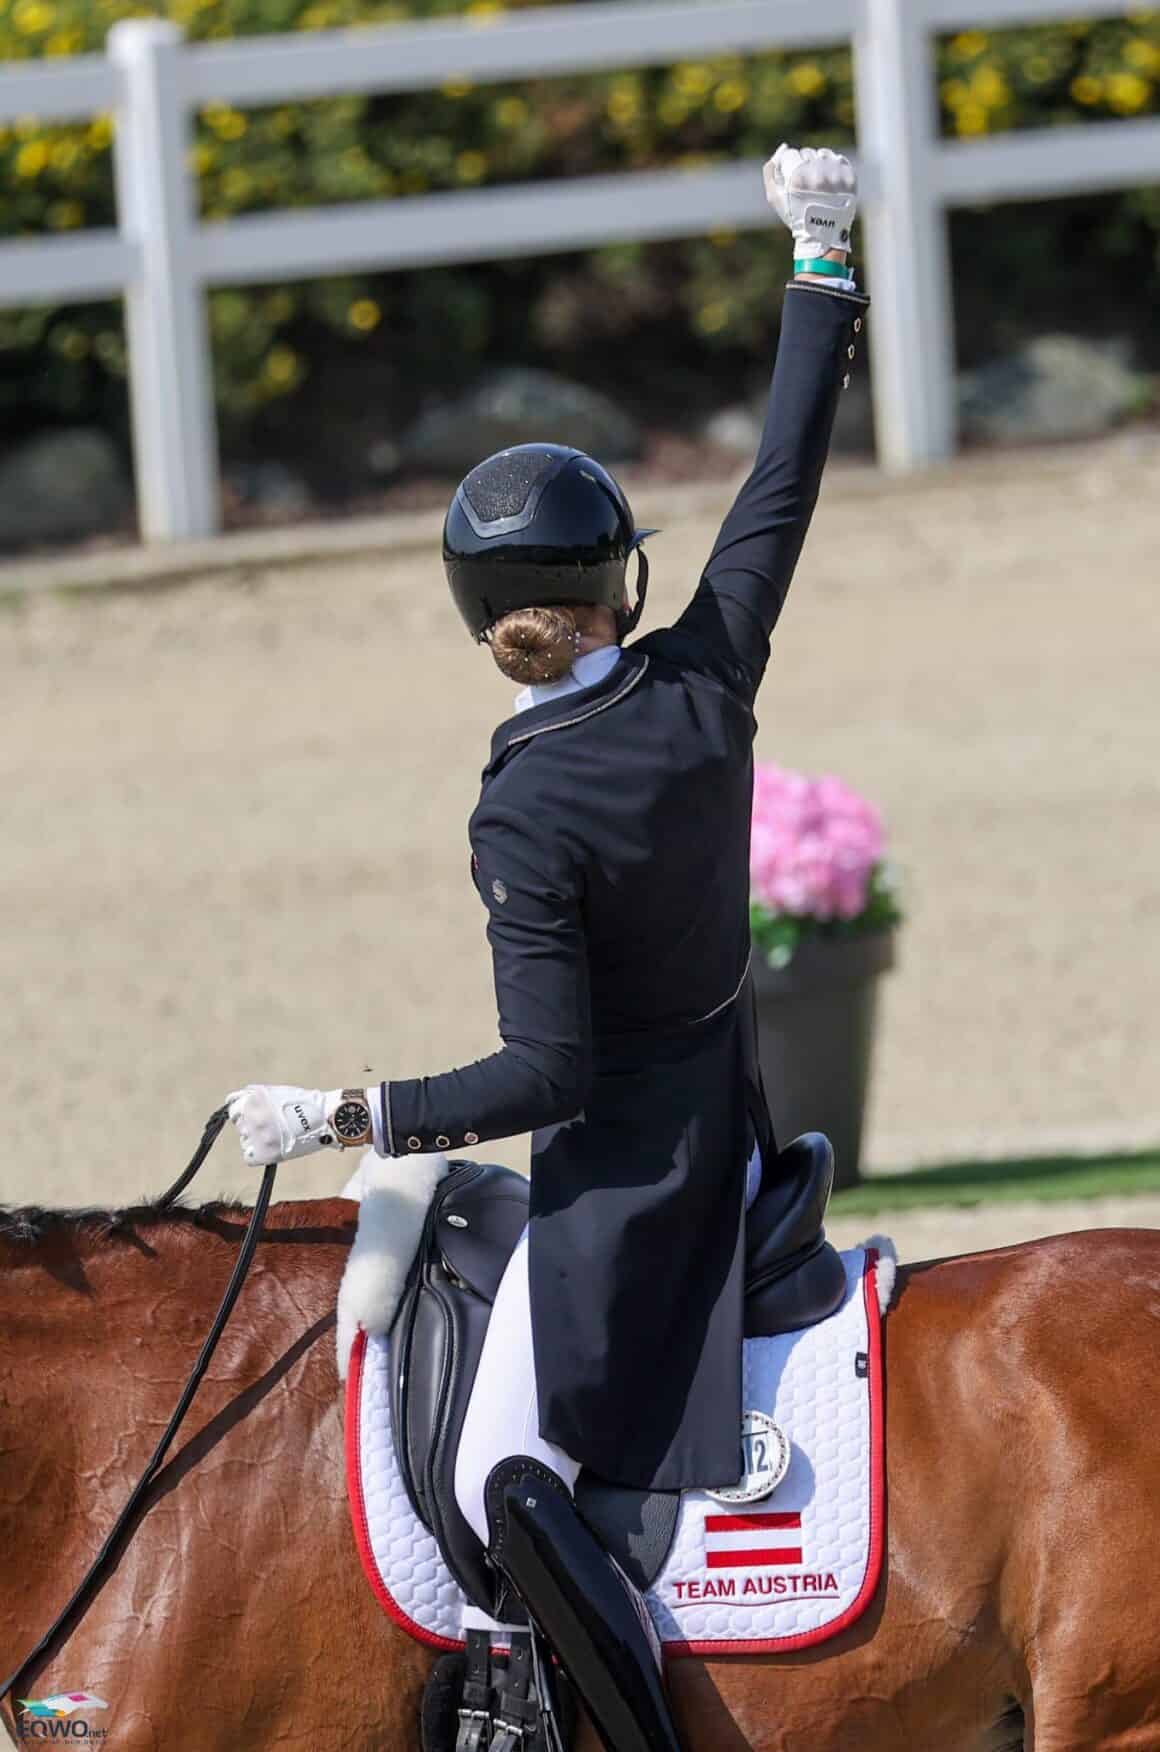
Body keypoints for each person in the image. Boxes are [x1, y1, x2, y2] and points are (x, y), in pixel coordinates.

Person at [229, 144, 868, 1752]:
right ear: (616, 588)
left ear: (476, 616)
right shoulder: (706, 683)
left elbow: (549, 1070)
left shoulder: (524, 814)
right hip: (731, 1116)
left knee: (502, 1480)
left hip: (632, 1197)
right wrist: (818, 251)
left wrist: (347, 1112)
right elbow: (781, 479)